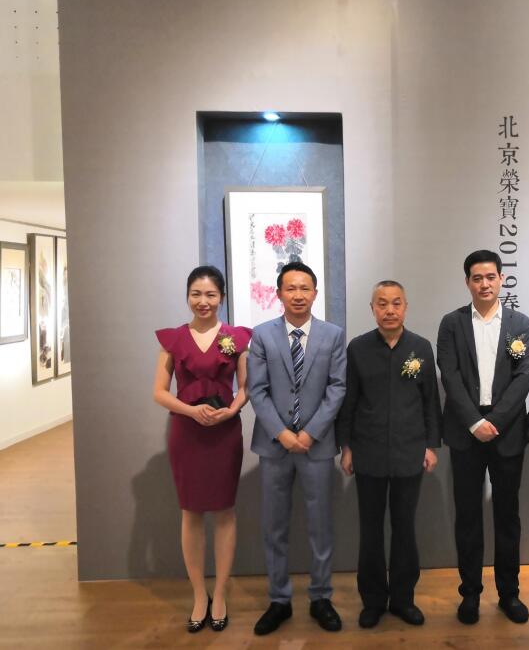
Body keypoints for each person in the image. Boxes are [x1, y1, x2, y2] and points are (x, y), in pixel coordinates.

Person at [437, 250, 529, 625]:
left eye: (491, 277)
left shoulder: (520, 324)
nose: (484, 284)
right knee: (467, 516)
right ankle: (470, 593)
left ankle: (509, 593)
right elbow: (449, 375)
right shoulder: (452, 323)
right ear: (467, 282)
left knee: (507, 516)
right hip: (466, 432)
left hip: (507, 431)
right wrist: (474, 422)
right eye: (477, 278)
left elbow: (524, 377)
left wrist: (494, 420)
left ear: (501, 279)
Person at [337, 280, 442, 629]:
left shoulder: (421, 347)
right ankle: (372, 600)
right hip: (367, 452)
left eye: (396, 303)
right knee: (370, 530)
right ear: (373, 309)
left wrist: (430, 446)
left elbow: (430, 401)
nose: (389, 310)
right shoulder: (358, 348)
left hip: (410, 451)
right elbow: (348, 401)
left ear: (405, 307)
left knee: (404, 528)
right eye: (382, 304)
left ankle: (402, 598)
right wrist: (346, 447)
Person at [249, 262, 346, 635]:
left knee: (321, 526)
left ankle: (321, 597)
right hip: (274, 447)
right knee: (274, 527)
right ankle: (279, 600)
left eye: (305, 288)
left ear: (315, 293)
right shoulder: (262, 336)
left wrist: (310, 433)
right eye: (290, 288)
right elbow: (257, 390)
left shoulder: (332, 335)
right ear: (279, 293)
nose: (298, 295)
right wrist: (282, 433)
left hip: (316, 447)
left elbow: (337, 387)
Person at [153, 265, 251, 633]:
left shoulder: (236, 338)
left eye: (210, 294)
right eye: (196, 294)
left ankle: (220, 594)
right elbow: (159, 391)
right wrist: (191, 410)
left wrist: (232, 410)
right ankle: (199, 594)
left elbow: (247, 386)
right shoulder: (174, 339)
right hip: (186, 433)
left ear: (222, 297)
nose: (203, 301)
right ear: (187, 297)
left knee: (225, 512)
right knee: (191, 513)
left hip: (225, 434)